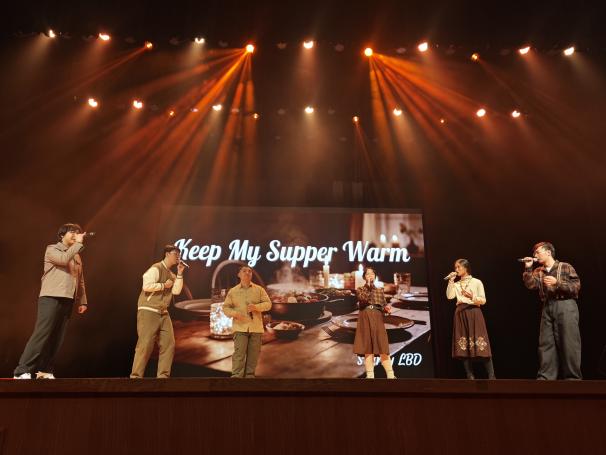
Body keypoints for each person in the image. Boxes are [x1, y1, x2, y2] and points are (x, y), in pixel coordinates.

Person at [14, 223, 89, 379]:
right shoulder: (52, 249)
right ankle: (22, 370)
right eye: (72, 232)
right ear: (61, 235)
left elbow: (80, 279)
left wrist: (82, 300)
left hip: (68, 299)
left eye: (77, 232)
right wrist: (78, 244)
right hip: (51, 297)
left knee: (57, 337)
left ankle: (44, 370)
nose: (75, 235)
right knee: (42, 334)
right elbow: (63, 260)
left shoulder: (76, 255)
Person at [522, 242, 581, 380]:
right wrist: (528, 268)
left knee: (569, 342)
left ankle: (572, 378)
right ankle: (546, 377)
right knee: (546, 342)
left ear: (548, 252)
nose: (535, 255)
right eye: (534, 253)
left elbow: (576, 287)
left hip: (565, 305)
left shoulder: (565, 266)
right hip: (548, 306)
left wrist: (557, 283)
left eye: (538, 252)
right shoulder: (539, 271)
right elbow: (531, 285)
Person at [130, 245, 186, 378]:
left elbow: (176, 291)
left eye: (179, 254)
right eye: (175, 254)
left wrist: (180, 273)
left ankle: (163, 378)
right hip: (148, 309)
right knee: (145, 344)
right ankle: (135, 377)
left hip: (163, 311)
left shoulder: (172, 274)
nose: (178, 257)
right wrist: (163, 285)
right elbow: (146, 285)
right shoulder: (156, 268)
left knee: (169, 343)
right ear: (167, 254)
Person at [446, 259, 495, 379]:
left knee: (481, 343)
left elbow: (483, 300)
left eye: (458, 267)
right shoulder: (456, 284)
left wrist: (472, 296)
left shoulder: (476, 282)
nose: (456, 269)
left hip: (474, 312)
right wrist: (451, 281)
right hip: (460, 314)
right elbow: (450, 296)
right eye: (455, 267)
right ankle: (470, 376)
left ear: (466, 268)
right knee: (463, 345)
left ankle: (491, 376)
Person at [222, 266, 271, 378]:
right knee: (239, 355)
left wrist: (256, 307)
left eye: (250, 271)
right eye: (244, 271)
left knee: (253, 356)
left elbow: (268, 304)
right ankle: (236, 378)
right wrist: (235, 314)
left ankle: (249, 378)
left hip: (256, 328)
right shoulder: (233, 291)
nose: (247, 273)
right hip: (240, 328)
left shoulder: (259, 289)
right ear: (238, 274)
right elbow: (225, 308)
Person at [353, 267, 396, 379]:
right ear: (364, 277)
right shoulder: (360, 289)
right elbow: (363, 299)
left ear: (375, 276)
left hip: (377, 317)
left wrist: (386, 309)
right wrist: (368, 286)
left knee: (382, 345)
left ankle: (391, 374)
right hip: (365, 316)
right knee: (368, 347)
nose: (370, 276)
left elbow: (383, 305)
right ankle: (370, 375)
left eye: (372, 274)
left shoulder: (380, 290)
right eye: (367, 274)